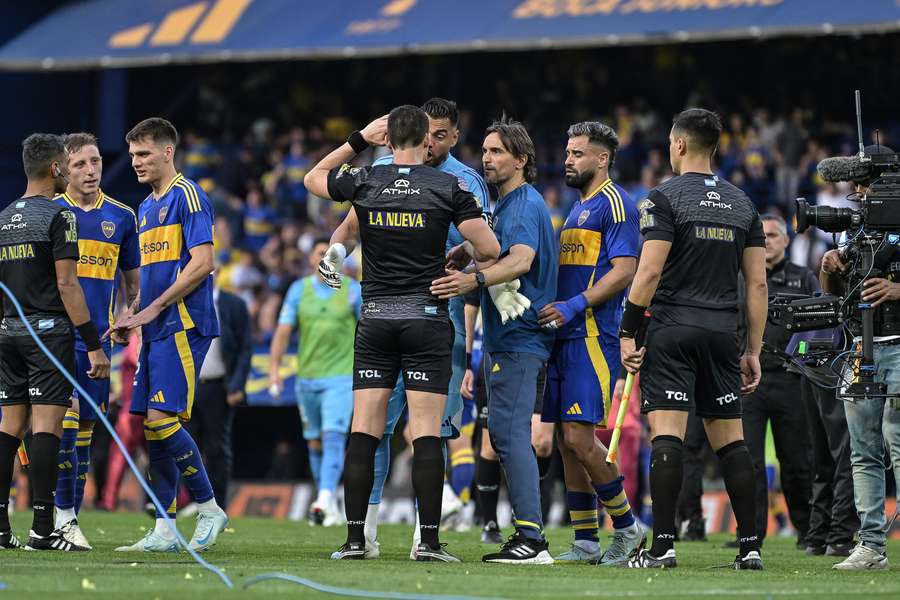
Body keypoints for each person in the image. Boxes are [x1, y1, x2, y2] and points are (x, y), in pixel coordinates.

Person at [304, 106, 499, 562]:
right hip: (428, 318)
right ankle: (427, 543)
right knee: (427, 434)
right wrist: (462, 255)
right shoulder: (448, 186)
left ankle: (356, 541)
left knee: (365, 431)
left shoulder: (366, 181)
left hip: (375, 318)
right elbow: (490, 249)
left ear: (389, 141)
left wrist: (357, 140)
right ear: (426, 142)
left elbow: (315, 177)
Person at [620, 108, 767, 570]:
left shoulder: (662, 198)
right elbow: (758, 286)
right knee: (731, 442)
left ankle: (662, 546)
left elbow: (648, 270)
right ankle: (750, 547)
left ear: (679, 145)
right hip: (724, 332)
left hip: (673, 329)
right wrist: (753, 350)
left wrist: (628, 330)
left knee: (668, 437)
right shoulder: (744, 203)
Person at [431, 116, 558, 564]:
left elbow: (521, 260)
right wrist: (466, 252)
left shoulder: (523, 205)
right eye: (484, 151)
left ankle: (533, 539)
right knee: (504, 435)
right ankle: (527, 533)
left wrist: (473, 279)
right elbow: (495, 246)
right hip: (507, 339)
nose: (487, 158)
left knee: (509, 435)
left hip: (521, 339)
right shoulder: (505, 207)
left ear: (521, 159)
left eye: (497, 151)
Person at [110, 118, 228, 553]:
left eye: (143, 154)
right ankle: (164, 526)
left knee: (163, 420)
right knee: (152, 424)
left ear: (167, 152)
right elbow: (148, 280)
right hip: (155, 326)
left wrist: (156, 308)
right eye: (133, 154)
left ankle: (210, 507)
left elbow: (203, 262)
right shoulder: (144, 208)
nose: (136, 162)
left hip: (183, 324)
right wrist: (131, 313)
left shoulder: (188, 196)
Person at [537, 121, 644, 565]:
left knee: (581, 439)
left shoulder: (617, 205)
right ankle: (585, 540)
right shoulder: (576, 206)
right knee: (565, 441)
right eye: (567, 152)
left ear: (602, 159)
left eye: (578, 153)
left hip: (594, 334)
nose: (568, 159)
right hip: (565, 335)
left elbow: (625, 270)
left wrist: (575, 303)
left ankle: (628, 528)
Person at [0, 133, 110, 551]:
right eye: (68, 164)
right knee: (46, 429)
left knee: (9, 427)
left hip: (8, 332)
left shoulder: (4, 217)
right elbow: (67, 284)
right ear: (56, 169)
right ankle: (43, 528)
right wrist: (93, 344)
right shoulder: (59, 215)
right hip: (48, 335)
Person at [50, 132, 140, 550]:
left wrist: (129, 315)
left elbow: (133, 286)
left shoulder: (122, 216)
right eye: (81, 164)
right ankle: (58, 514)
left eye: (96, 161)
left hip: (99, 344)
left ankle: (69, 518)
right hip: (55, 339)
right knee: (62, 423)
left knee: (85, 427)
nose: (91, 170)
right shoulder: (50, 213)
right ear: (62, 170)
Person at [820, 146, 900, 570]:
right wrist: (830, 266)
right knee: (863, 451)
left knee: (899, 443)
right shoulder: (858, 234)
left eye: (865, 184)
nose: (859, 193)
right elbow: (835, 294)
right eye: (856, 186)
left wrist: (898, 290)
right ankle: (871, 546)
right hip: (860, 348)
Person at [269, 238, 360, 526]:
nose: (325, 257)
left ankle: (322, 497)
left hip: (341, 377)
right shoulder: (299, 290)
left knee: (334, 435)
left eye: (330, 253)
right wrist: (274, 369)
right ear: (311, 259)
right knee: (315, 442)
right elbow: (283, 332)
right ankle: (329, 501)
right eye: (320, 253)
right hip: (306, 378)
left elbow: (369, 332)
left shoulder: (352, 291)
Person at [739, 213, 815, 548]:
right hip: (748, 380)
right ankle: (751, 534)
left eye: (773, 235)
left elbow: (821, 325)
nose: (767, 240)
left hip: (791, 379)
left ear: (786, 240)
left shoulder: (805, 278)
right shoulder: (742, 278)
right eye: (762, 235)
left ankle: (806, 530)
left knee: (797, 459)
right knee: (748, 461)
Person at [187, 279, 252, 509]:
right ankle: (191, 500)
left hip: (217, 385)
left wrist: (236, 385)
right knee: (184, 444)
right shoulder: (183, 300)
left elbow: (246, 347)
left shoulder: (233, 304)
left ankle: (218, 505)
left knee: (216, 447)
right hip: (186, 385)